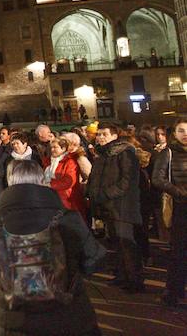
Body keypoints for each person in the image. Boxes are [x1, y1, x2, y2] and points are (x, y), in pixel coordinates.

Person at [0, 160, 105, 336]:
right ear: (41, 180)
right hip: (69, 316)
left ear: (10, 181)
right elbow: (94, 259)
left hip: (16, 318)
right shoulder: (67, 218)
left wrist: (15, 275)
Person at [87, 122, 143, 292]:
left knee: (126, 243)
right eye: (99, 134)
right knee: (115, 242)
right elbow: (95, 177)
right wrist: (91, 192)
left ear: (114, 136)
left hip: (122, 206)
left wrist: (107, 193)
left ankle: (135, 280)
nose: (100, 137)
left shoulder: (125, 153)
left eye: (104, 134)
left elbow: (127, 181)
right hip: (106, 205)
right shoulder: (102, 154)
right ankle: (121, 275)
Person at [152, 120, 186, 307]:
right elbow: (157, 178)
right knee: (178, 251)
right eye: (181, 130)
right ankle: (173, 291)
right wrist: (178, 191)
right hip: (180, 207)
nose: (185, 134)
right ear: (174, 133)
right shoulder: (169, 152)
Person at [46, 136, 88, 221]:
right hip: (54, 198)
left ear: (63, 148)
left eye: (55, 147)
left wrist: (49, 184)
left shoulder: (70, 162)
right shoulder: (50, 161)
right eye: (51, 147)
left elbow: (69, 181)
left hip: (68, 200)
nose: (52, 150)